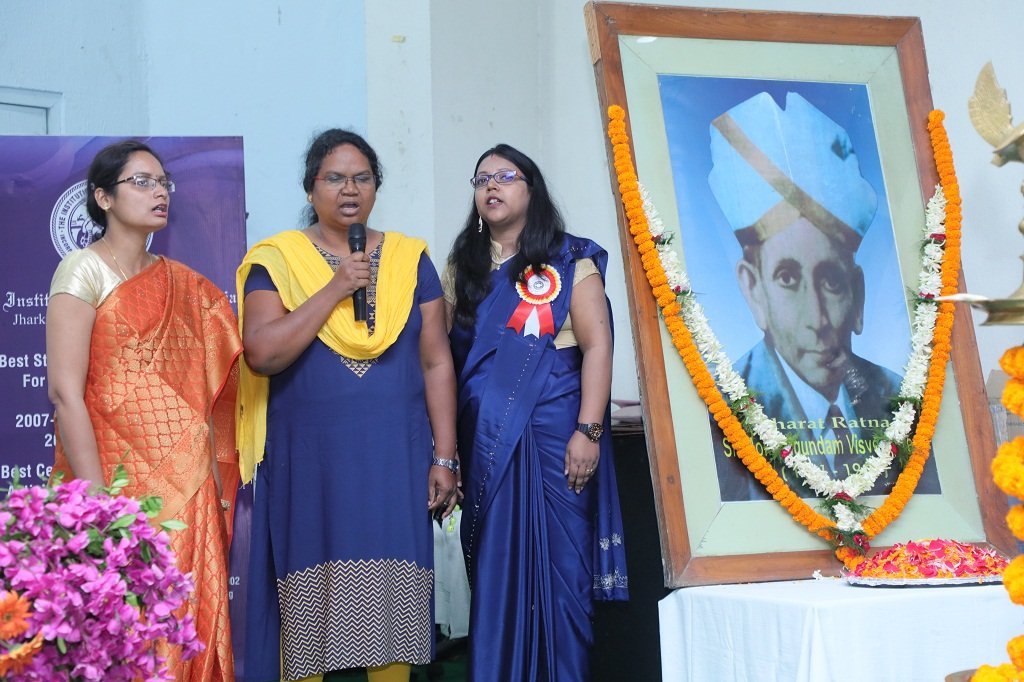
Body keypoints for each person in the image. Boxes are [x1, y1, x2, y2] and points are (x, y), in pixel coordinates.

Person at [237, 129, 458, 682]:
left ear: (377, 186)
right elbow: (262, 353)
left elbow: (436, 363)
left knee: (392, 618)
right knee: (307, 615)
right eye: (334, 178)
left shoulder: (411, 260)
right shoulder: (278, 260)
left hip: (393, 457)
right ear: (310, 188)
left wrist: (446, 457)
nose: (349, 189)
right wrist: (336, 287)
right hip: (307, 459)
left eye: (362, 177)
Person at [47, 139, 241, 680]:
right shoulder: (82, 272)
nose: (159, 192)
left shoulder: (190, 287)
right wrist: (97, 508)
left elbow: (219, 390)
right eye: (142, 182)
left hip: (188, 484)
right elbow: (66, 394)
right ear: (103, 197)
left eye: (163, 183)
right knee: (125, 631)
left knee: (182, 627)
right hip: (111, 484)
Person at [445, 144, 628, 681]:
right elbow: (453, 362)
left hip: (557, 437)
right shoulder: (463, 268)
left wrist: (588, 431)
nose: (491, 186)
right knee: (499, 572)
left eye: (505, 176)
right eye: (482, 179)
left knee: (563, 574)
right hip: (487, 445)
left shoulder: (572, 260)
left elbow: (597, 346)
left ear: (532, 188)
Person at [707, 91, 938, 499]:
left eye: (831, 281)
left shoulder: (897, 397)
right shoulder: (721, 408)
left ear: (858, 297)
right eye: (787, 278)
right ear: (752, 289)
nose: (817, 319)